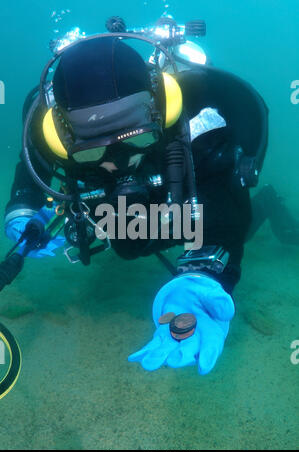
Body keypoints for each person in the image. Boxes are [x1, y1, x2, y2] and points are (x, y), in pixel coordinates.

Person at [2, 30, 297, 375]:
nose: (118, 161)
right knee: (127, 246)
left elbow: (226, 211)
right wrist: (23, 209)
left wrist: (204, 276)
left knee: (239, 229)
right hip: (125, 207)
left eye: (136, 139)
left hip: (183, 190)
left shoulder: (197, 119)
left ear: (159, 111)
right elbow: (31, 168)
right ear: (64, 133)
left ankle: (268, 203)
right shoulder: (47, 132)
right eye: (95, 150)